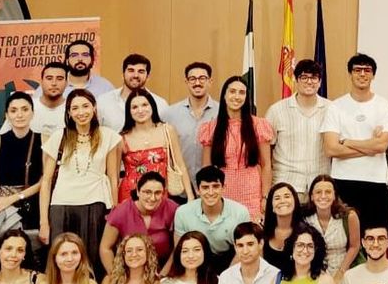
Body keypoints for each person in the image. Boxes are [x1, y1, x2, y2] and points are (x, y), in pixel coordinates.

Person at [321, 53, 388, 246]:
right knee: (344, 238)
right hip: (343, 180)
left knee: (374, 238)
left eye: (367, 70)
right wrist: (369, 145)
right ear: (350, 74)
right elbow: (331, 149)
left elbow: (381, 146)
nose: (362, 74)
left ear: (373, 75)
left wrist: (346, 141)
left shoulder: (384, 106)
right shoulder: (336, 107)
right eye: (357, 70)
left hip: (375, 181)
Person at [40, 89, 120, 260]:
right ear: (69, 112)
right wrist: (44, 222)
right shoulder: (58, 137)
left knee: (91, 259)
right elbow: (46, 181)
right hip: (61, 204)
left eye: (85, 106)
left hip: (95, 203)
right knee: (61, 259)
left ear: (94, 108)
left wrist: (115, 211)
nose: (81, 112)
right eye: (75, 108)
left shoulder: (108, 136)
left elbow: (113, 177)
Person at [0, 92, 45, 278]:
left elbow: (45, 181)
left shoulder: (44, 140)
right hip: (3, 209)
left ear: (33, 113)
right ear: (7, 115)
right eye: (14, 110)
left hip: (32, 206)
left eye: (25, 109)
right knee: (3, 256)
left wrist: (15, 198)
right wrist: (0, 202)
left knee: (33, 258)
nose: (19, 115)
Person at [199, 75, 275, 221]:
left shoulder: (259, 125)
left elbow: (266, 165)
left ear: (247, 97)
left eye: (242, 93)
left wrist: (265, 197)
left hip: (251, 193)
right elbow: (206, 167)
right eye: (232, 91)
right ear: (224, 96)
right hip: (222, 192)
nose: (237, 96)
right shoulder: (210, 128)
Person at [266, 59, 333, 197]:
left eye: (314, 77)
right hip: (287, 186)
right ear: (296, 80)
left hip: (321, 187)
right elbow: (266, 150)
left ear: (320, 82)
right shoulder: (276, 110)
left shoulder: (332, 109)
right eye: (304, 77)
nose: (309, 82)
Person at [114, 88, 189, 205]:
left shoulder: (167, 130)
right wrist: (115, 205)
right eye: (134, 107)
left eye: (144, 105)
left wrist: (190, 196)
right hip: (131, 197)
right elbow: (114, 176)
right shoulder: (122, 138)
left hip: (160, 194)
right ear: (129, 111)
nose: (140, 110)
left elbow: (180, 165)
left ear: (152, 106)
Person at [100, 172, 180, 273]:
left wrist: (164, 274)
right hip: (130, 270)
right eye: (147, 192)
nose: (152, 198)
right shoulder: (122, 211)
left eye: (158, 193)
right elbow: (105, 247)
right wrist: (116, 276)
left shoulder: (172, 209)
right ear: (138, 191)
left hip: (165, 270)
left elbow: (179, 245)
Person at [174, 165, 252, 267]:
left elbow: (243, 251)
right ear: (198, 190)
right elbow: (179, 250)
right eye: (205, 187)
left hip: (230, 260)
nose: (210, 192)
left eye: (215, 186)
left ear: (223, 188)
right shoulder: (182, 212)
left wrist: (227, 277)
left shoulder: (240, 212)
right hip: (195, 261)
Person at [163, 62, 218, 194]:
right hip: (179, 189)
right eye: (192, 79)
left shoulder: (222, 112)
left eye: (202, 78)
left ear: (210, 81)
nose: (197, 83)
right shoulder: (170, 113)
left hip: (212, 188)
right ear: (186, 82)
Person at [94, 53, 168, 134]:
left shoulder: (160, 104)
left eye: (141, 71)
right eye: (131, 70)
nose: (135, 75)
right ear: (123, 74)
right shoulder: (103, 101)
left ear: (148, 76)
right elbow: (95, 133)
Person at [305, 173, 359, 273]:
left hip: (343, 271)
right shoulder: (305, 218)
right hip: (313, 273)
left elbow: (354, 246)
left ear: (334, 195)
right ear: (312, 196)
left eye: (328, 192)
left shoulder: (349, 216)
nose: (323, 196)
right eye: (318, 192)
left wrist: (340, 274)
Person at [260, 182, 313, 274]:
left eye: (287, 196)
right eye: (277, 198)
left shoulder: (307, 233)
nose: (282, 201)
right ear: (271, 206)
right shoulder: (262, 234)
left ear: (295, 202)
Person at [30, 61, 70, 136]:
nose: (54, 83)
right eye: (49, 78)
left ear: (66, 83)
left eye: (59, 79)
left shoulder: (73, 109)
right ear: (41, 82)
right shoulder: (27, 107)